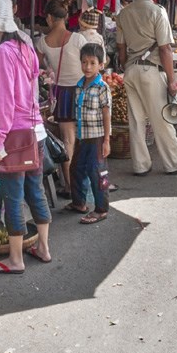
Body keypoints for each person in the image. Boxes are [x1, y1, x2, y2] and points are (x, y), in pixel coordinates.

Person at [0, 0, 52, 274]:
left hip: (15, 134)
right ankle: (43, 247)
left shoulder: (4, 53)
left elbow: (5, 103)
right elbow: (32, 85)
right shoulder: (25, 45)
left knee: (13, 196)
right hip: (36, 130)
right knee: (36, 189)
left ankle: (16, 259)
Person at [115, 0, 177, 176]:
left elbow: (121, 49)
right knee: (163, 118)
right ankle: (174, 163)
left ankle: (140, 165)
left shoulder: (123, 13)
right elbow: (164, 48)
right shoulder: (157, 11)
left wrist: (127, 66)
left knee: (136, 121)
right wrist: (171, 80)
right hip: (150, 71)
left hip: (131, 71)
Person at [38, 0, 93, 205]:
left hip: (62, 94)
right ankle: (88, 183)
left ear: (49, 18)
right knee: (87, 140)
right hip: (82, 91)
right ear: (65, 16)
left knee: (67, 142)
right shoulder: (78, 39)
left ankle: (70, 186)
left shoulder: (42, 42)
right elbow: (91, 63)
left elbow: (37, 67)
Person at [70, 43, 113, 224]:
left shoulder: (102, 87)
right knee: (76, 168)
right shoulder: (79, 86)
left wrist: (106, 140)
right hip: (82, 137)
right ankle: (79, 203)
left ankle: (101, 209)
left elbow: (106, 113)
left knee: (97, 172)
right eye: (84, 62)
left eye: (92, 63)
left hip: (96, 138)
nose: (87, 67)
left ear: (101, 65)